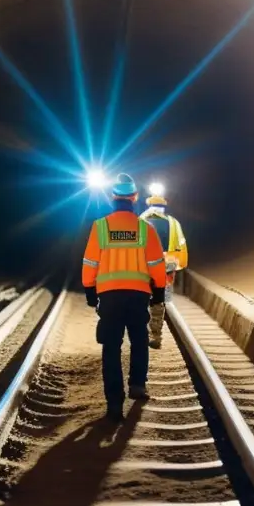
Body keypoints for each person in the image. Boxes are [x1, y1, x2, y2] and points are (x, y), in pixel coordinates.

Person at [82, 173, 167, 423]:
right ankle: (137, 386)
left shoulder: (100, 227)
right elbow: (156, 264)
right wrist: (159, 291)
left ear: (113, 197)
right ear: (135, 197)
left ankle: (114, 404)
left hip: (109, 296)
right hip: (138, 294)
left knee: (111, 347)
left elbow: (90, 263)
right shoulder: (145, 229)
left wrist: (90, 291)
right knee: (139, 340)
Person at [140, 184, 188, 349]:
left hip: (143, 268)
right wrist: (177, 265)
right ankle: (156, 336)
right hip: (164, 268)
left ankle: (142, 334)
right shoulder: (174, 223)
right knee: (159, 301)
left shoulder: (140, 221)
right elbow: (181, 245)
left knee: (142, 301)